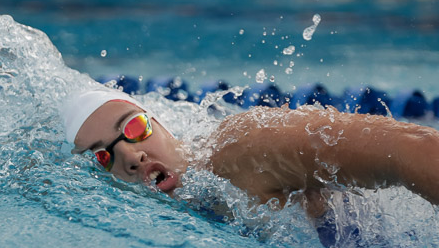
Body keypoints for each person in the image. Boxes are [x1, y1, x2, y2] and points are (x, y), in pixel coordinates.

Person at [60, 86, 439, 223]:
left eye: (134, 128)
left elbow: (408, 148)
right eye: (103, 158)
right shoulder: (193, 209)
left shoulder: (241, 149)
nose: (131, 156)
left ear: (163, 125)